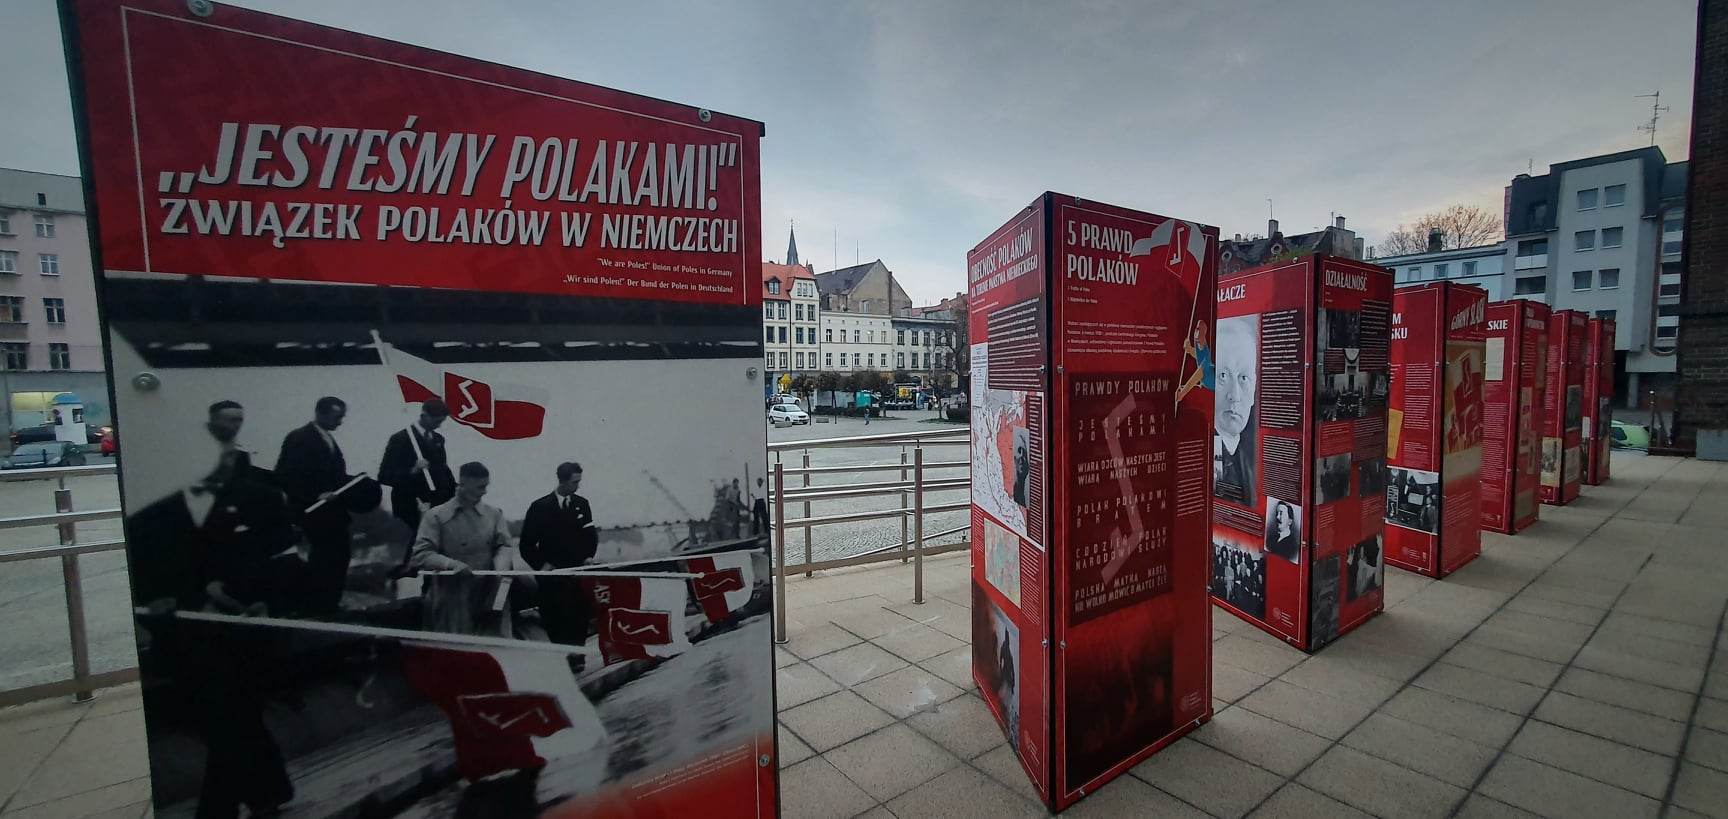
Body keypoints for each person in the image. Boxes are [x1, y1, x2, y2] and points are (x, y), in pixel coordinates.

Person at [131, 400, 296, 819]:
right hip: (185, 632)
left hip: (245, 630)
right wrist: (154, 602)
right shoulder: (153, 511)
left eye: (227, 455)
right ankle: (269, 789)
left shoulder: (260, 500)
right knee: (228, 720)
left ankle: (218, 810)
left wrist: (266, 600)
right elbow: (139, 566)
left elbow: (286, 561)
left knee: (232, 717)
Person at [410, 461, 517, 635]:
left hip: (490, 595)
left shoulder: (494, 514)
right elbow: (421, 554)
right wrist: (451, 565)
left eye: (486, 486)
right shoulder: (436, 516)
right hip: (452, 599)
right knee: (456, 646)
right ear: (463, 484)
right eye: (480, 487)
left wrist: (500, 568)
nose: (485, 492)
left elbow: (505, 545)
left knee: (494, 645)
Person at [275, 396, 352, 614]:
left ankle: (328, 605)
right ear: (320, 413)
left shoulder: (328, 439)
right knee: (323, 559)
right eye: (337, 417)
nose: (340, 422)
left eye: (342, 417)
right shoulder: (299, 438)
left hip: (332, 513)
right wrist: (314, 496)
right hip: (311, 512)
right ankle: (316, 606)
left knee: (338, 555)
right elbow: (285, 475)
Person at [519, 462, 598, 647]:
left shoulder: (582, 504)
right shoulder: (539, 507)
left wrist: (589, 556)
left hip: (578, 575)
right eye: (574, 482)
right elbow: (526, 545)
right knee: (555, 622)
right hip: (552, 579)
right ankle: (561, 656)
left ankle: (578, 656)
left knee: (580, 620)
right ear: (562, 481)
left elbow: (590, 536)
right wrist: (542, 565)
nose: (578, 486)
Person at [378, 398, 456, 537]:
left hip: (436, 504)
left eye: (441, 422)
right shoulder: (400, 439)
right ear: (424, 416)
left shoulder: (438, 439)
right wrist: (412, 470)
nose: (439, 426)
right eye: (436, 421)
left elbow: (443, 470)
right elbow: (384, 475)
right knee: (414, 544)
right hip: (409, 506)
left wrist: (456, 490)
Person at [1214, 318, 1258, 505]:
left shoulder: (1253, 462)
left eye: (1243, 378)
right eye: (1223, 376)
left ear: (1254, 388)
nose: (1235, 395)